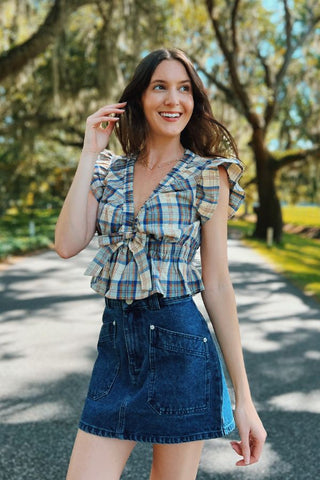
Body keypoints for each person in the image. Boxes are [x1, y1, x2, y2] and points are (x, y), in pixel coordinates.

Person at [55, 47, 267, 480]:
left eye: (184, 89)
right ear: (138, 98)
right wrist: (89, 151)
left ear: (195, 100)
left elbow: (218, 283)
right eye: (160, 87)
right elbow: (67, 242)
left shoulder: (209, 175)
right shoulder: (109, 171)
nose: (174, 100)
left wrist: (243, 397)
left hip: (181, 348)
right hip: (116, 347)